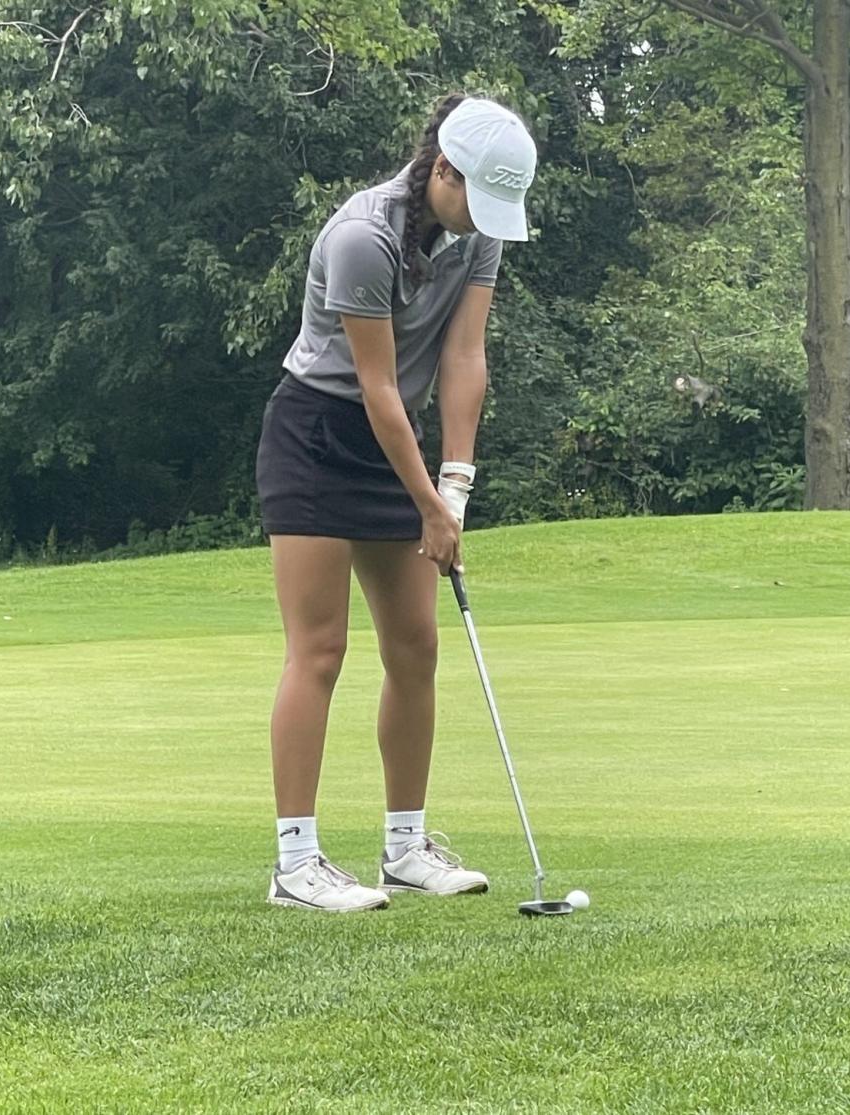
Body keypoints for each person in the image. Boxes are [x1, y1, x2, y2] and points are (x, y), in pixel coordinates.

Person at [255, 93, 538, 912]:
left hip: (398, 444)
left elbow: (463, 355)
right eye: (474, 195)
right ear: (441, 168)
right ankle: (295, 864)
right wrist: (427, 502)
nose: (484, 217)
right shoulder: (361, 237)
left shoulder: (477, 233)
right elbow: (377, 386)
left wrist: (456, 484)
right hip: (317, 432)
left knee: (415, 648)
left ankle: (405, 847)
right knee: (320, 648)